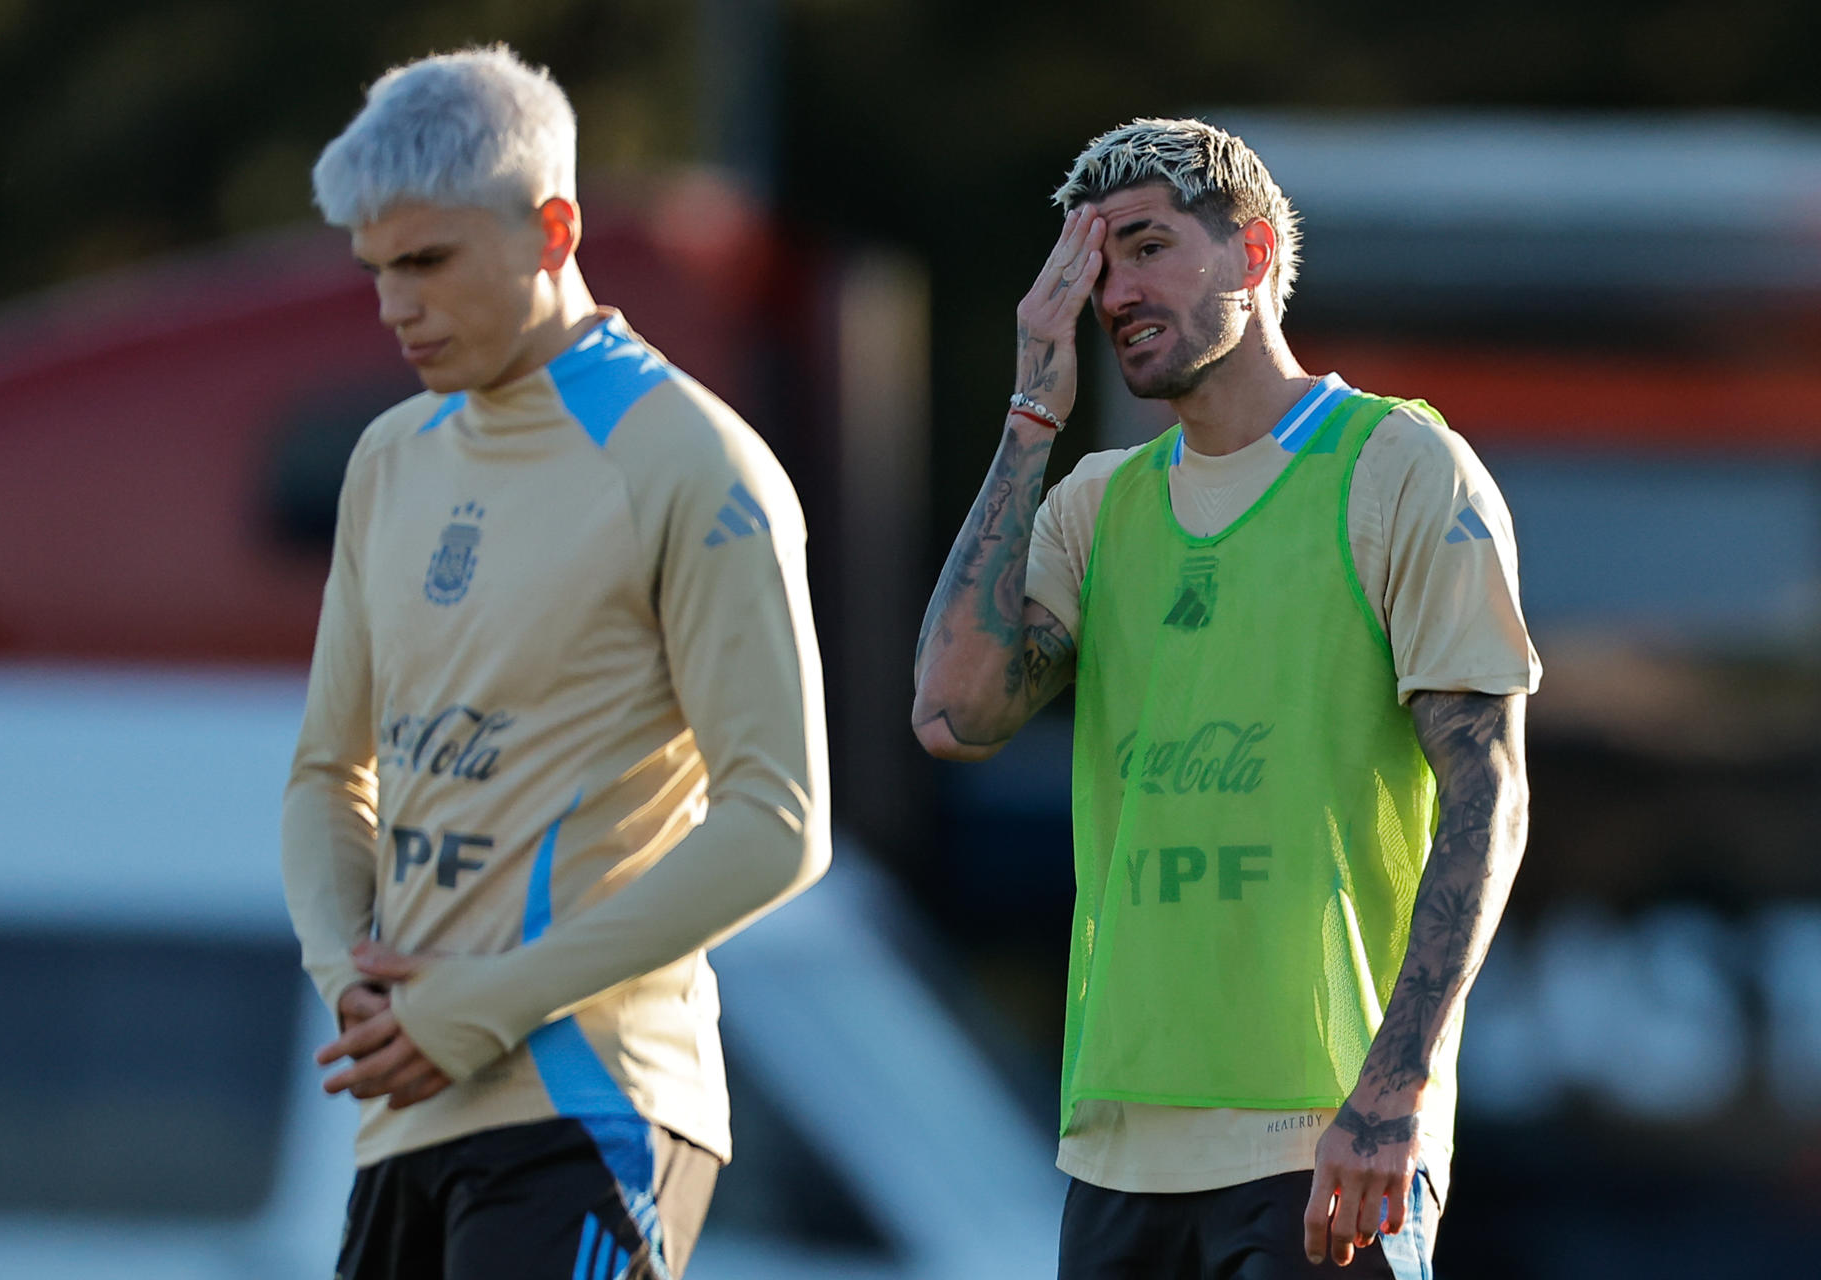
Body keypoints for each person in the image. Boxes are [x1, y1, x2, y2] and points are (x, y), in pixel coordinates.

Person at [912, 118, 1538, 1278]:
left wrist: (1393, 1088)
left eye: (1147, 246)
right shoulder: (1097, 506)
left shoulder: (1398, 465)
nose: (1113, 291)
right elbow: (953, 713)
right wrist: (1028, 418)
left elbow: (1486, 797)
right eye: (1095, 264)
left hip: (1322, 1132)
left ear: (1251, 255)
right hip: (1117, 1147)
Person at [280, 45, 828, 1280]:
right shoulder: (391, 458)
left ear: (553, 227)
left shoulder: (695, 462)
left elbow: (779, 822)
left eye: (427, 263)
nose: (395, 306)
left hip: (595, 1108)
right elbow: (327, 775)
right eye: (376, 271)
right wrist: (349, 980)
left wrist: (478, 1004)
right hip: (405, 1106)